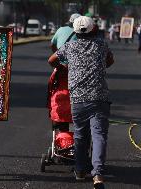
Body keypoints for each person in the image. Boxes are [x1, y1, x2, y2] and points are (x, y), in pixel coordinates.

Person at [48, 16, 114, 189]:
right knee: (99, 135)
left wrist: (65, 68)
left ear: (75, 31)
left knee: (80, 134)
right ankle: (98, 173)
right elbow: (110, 61)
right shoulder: (101, 45)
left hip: (78, 98)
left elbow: (51, 60)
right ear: (93, 29)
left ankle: (79, 169)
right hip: (100, 97)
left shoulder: (68, 47)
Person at [48, 13, 80, 133]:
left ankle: (54, 114)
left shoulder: (61, 30)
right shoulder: (84, 37)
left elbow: (52, 45)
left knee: (53, 87)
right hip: (77, 70)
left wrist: (57, 55)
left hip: (60, 68)